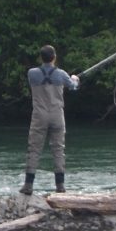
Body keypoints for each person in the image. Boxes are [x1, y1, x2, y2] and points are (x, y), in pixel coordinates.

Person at [23, 44, 79, 195]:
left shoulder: (32, 73)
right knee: (58, 149)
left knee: (34, 149)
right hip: (57, 115)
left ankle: (28, 185)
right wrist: (75, 79)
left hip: (39, 115)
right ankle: (60, 186)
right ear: (54, 57)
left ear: (41, 58)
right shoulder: (61, 74)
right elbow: (73, 87)